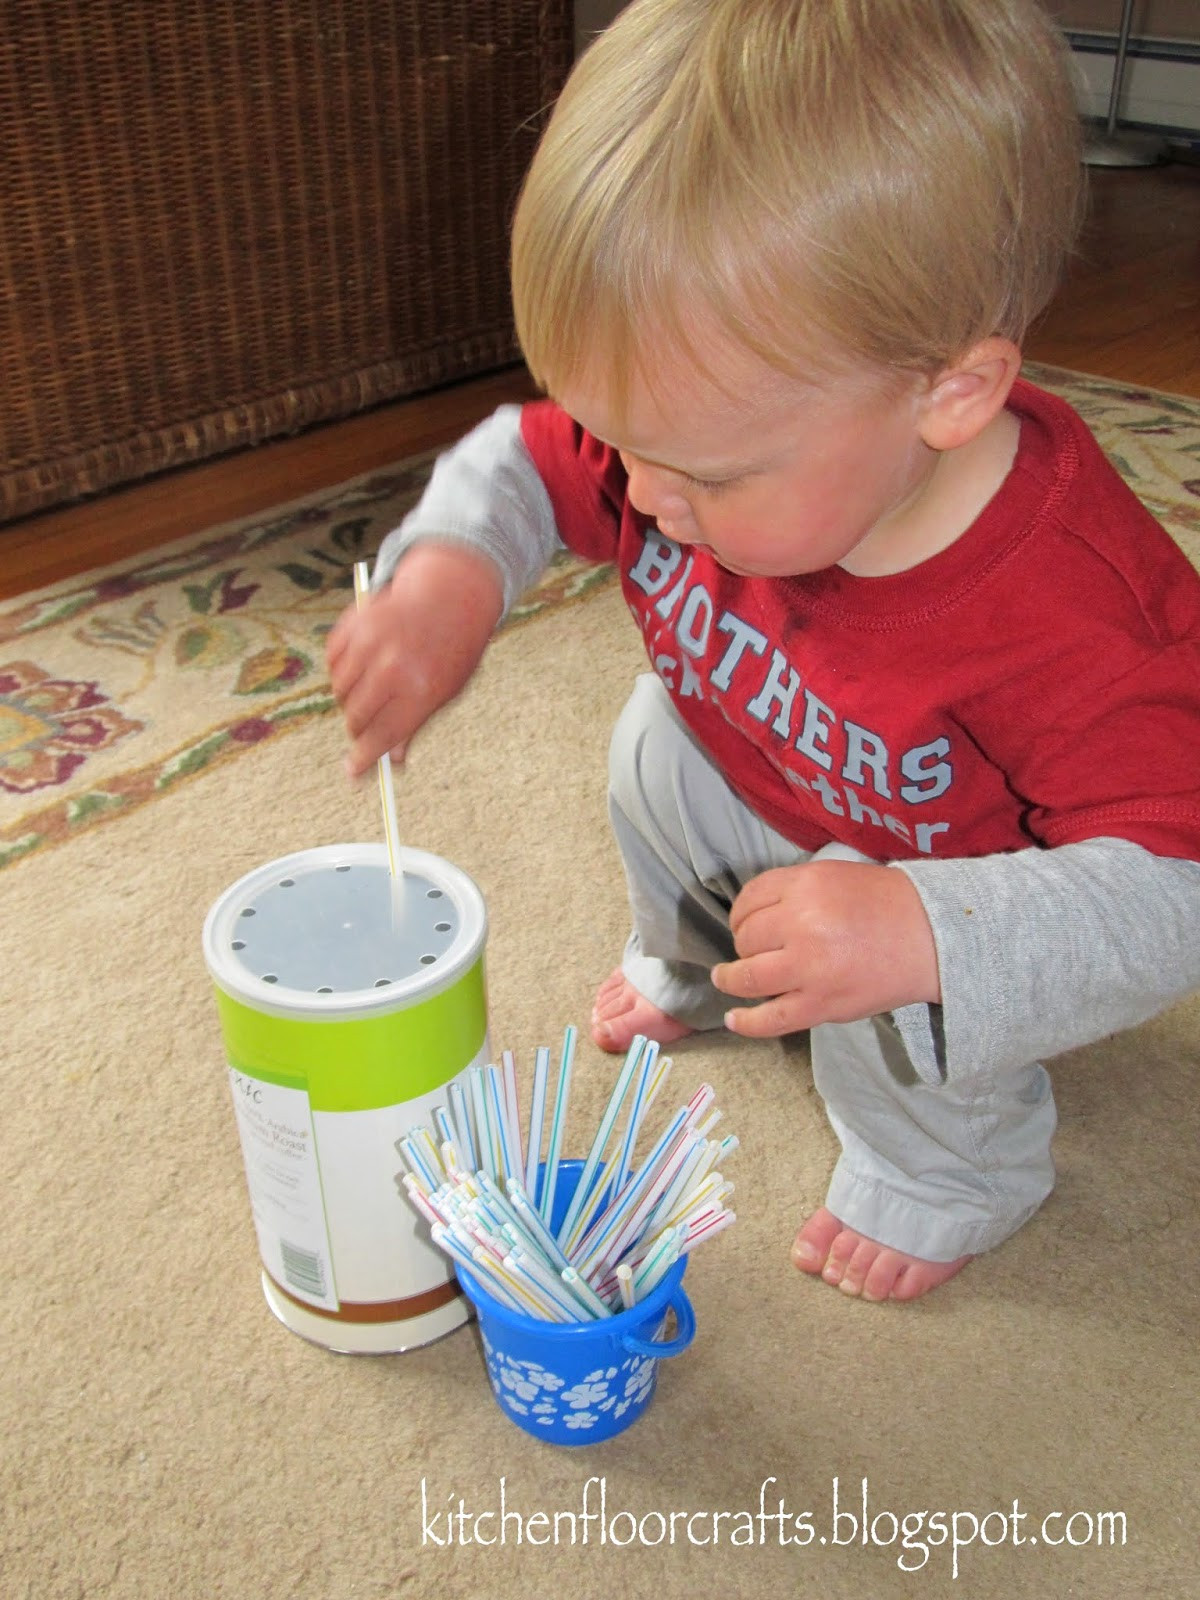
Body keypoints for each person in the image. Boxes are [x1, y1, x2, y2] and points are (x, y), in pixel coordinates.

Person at [327, 0, 1200, 1302]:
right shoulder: (697, 442)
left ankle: (960, 1170)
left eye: (699, 471)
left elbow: (1176, 896)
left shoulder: (1074, 612)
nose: (637, 494)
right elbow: (522, 461)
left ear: (951, 394)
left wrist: (928, 931)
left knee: (865, 939)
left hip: (963, 892)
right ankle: (699, 959)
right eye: (619, 439)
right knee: (656, 748)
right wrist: (452, 570)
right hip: (774, 763)